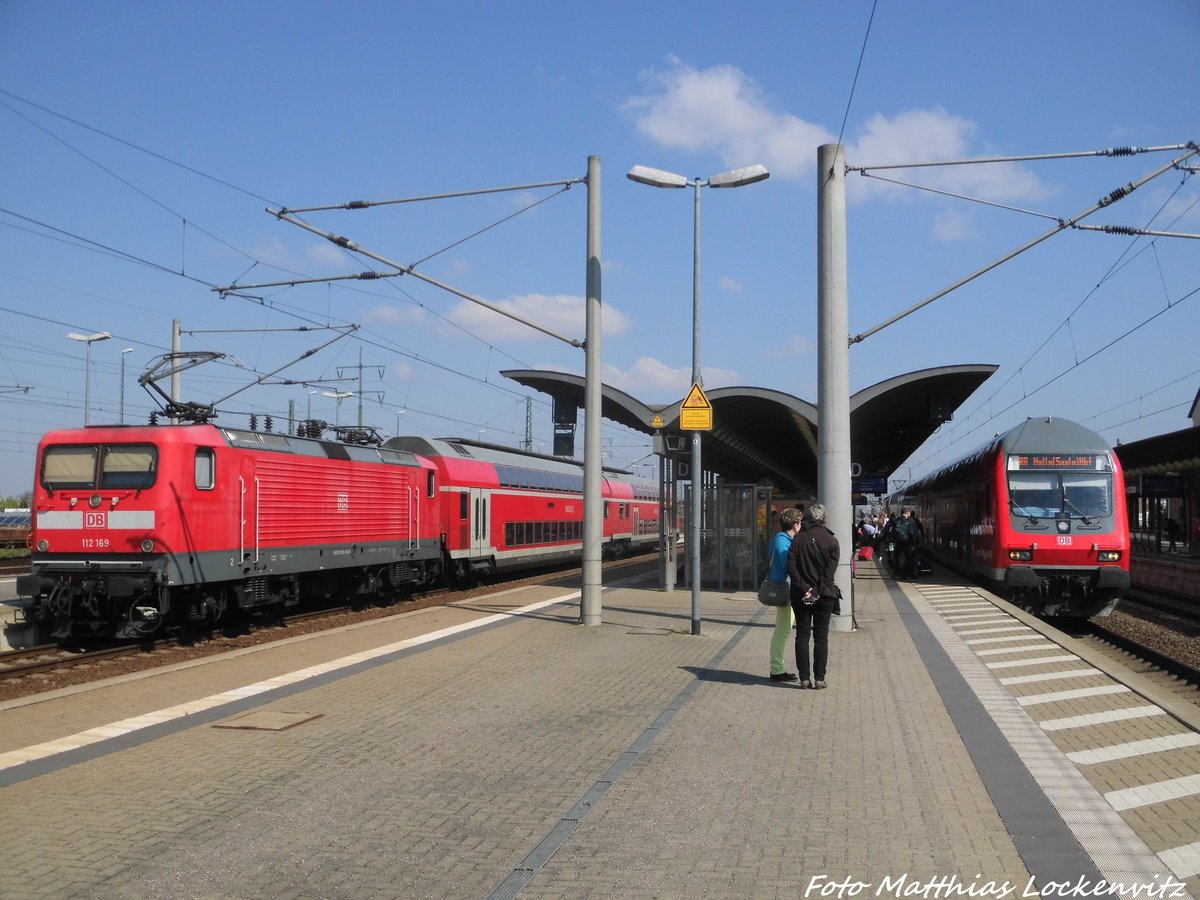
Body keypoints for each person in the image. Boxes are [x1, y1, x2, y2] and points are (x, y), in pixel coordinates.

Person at [787, 503, 841, 690]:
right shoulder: (832, 541)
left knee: (802, 635)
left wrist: (805, 589)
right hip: (824, 596)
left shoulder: (797, 540)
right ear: (824, 519)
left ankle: (803, 678)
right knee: (821, 637)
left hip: (800, 596)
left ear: (808, 519)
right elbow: (829, 573)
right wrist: (816, 591)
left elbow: (792, 568)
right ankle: (819, 678)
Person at [766, 507, 803, 682]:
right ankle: (777, 669)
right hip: (785, 588)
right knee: (783, 629)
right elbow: (788, 564)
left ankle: (777, 667)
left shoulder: (778, 539)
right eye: (800, 523)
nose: (801, 526)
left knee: (784, 628)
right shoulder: (783, 542)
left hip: (784, 587)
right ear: (795, 524)